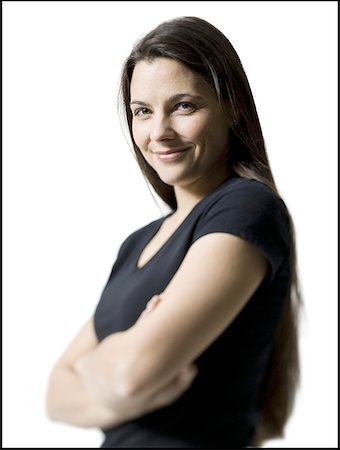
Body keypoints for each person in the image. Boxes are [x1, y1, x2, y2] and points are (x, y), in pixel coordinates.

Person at [46, 16, 302, 448]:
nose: (159, 132)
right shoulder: (138, 244)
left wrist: (102, 367)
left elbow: (129, 377)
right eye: (142, 111)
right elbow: (55, 395)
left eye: (184, 106)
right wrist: (121, 375)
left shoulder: (245, 208)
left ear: (231, 106)